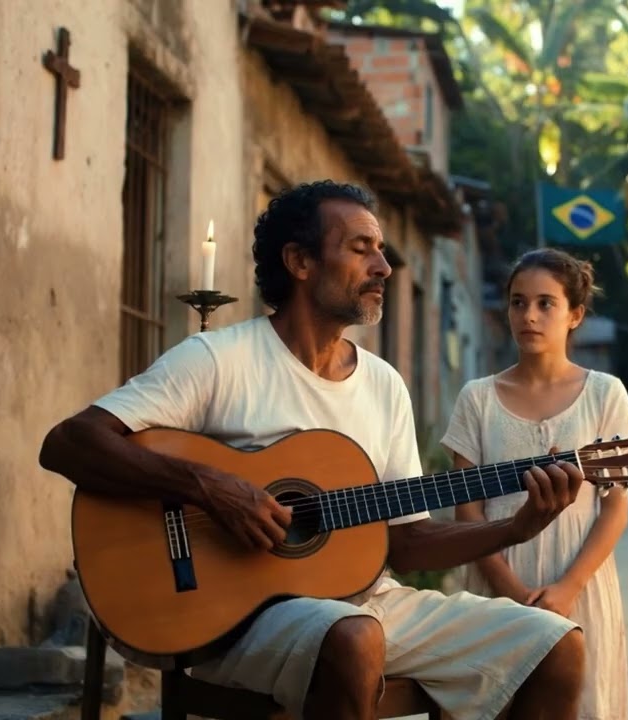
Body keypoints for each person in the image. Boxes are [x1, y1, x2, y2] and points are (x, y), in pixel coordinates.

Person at [38, 181, 587, 720]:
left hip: (373, 604)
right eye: (360, 248)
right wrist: (210, 486)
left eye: (380, 251)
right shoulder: (218, 359)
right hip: (244, 619)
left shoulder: (383, 384)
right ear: (300, 262)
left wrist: (515, 529)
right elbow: (69, 443)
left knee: (556, 646)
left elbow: (409, 543)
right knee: (354, 639)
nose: (383, 268)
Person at [441, 248, 628, 720]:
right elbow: (468, 510)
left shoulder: (605, 394)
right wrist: (510, 589)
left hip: (576, 583)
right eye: (517, 302)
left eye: (545, 303)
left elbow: (614, 509)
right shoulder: (478, 399)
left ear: (575, 315)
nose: (528, 315)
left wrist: (568, 587)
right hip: (496, 578)